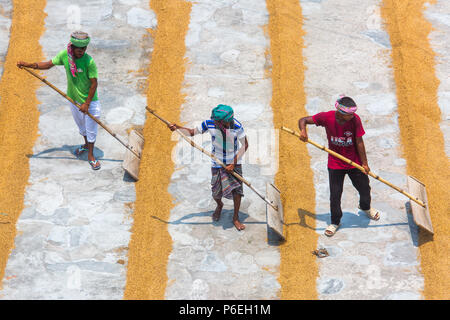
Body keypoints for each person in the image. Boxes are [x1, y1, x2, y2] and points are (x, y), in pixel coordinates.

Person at [17, 31, 101, 170]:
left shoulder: (89, 61)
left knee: (91, 128)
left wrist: (86, 103)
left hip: (90, 101)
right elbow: (49, 64)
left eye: (84, 49)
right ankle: (86, 145)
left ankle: (91, 155)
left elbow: (94, 84)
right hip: (73, 99)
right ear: (72, 47)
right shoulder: (65, 56)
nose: (81, 51)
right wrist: (29, 65)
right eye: (79, 49)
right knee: (81, 125)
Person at [298, 95, 380, 237]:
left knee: (364, 188)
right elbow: (303, 120)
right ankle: (335, 221)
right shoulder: (326, 117)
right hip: (335, 164)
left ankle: (365, 207)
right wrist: (303, 131)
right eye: (349, 115)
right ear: (340, 113)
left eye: (353, 114)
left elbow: (359, 142)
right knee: (335, 195)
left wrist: (365, 163)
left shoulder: (355, 120)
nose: (352, 116)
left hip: (354, 163)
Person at [168, 104, 249, 231]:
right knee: (216, 193)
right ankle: (219, 205)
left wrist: (233, 163)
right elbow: (191, 132)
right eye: (224, 123)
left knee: (237, 192)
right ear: (218, 122)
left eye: (228, 122)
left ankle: (235, 217)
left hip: (234, 162)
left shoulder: (237, 126)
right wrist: (177, 128)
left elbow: (245, 145)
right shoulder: (209, 124)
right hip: (217, 162)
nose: (227, 125)